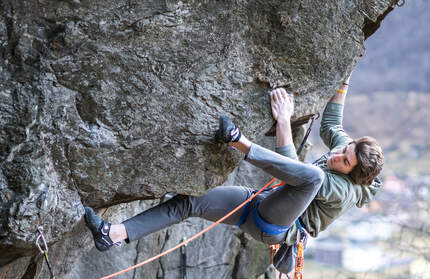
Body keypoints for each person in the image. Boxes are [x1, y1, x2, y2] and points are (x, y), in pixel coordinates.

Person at [84, 77, 383, 253]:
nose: (337, 154)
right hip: (260, 204)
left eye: (344, 161)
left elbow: (294, 171)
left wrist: (282, 120)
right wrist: (344, 78)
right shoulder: (348, 153)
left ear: (353, 176)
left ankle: (237, 141)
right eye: (345, 149)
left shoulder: (344, 190)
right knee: (190, 203)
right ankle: (114, 234)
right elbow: (331, 125)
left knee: (314, 177)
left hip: (275, 225)